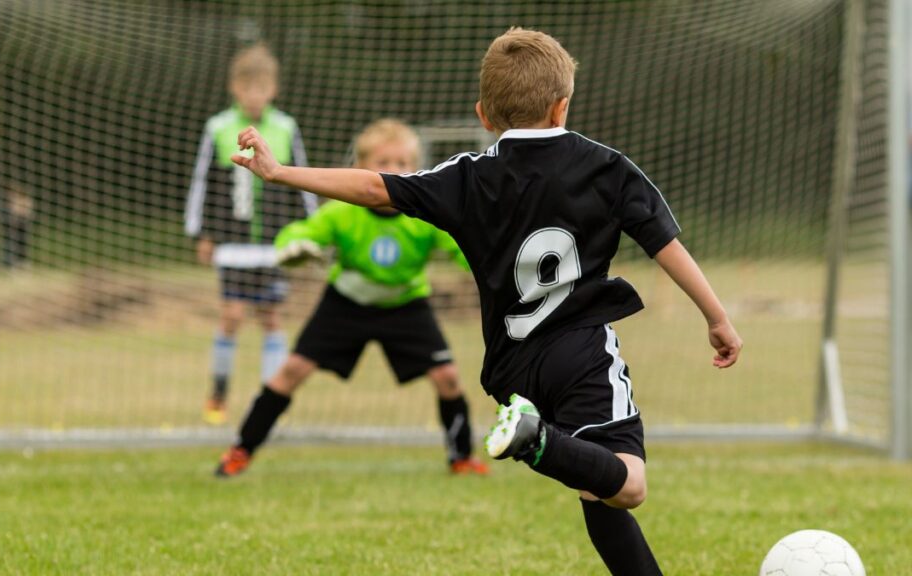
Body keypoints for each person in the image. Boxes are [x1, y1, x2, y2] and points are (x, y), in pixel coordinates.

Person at [229, 28, 743, 576]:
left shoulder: (467, 177)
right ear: (562, 105)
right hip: (581, 353)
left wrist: (280, 172)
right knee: (630, 483)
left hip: (511, 364)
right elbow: (665, 245)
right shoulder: (607, 167)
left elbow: (376, 187)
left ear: (482, 113)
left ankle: (535, 437)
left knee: (599, 489)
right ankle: (536, 440)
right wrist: (717, 318)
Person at [214, 119, 489, 478]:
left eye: (403, 163)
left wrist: (489, 264)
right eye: (384, 162)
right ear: (361, 168)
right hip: (346, 303)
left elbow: (465, 249)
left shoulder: (425, 214)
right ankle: (240, 451)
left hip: (405, 305)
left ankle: (461, 458)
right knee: (291, 371)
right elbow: (298, 234)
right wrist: (293, 248)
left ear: (416, 167)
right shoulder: (343, 210)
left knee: (448, 377)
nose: (394, 171)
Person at [184, 43, 317, 425]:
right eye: (247, 88)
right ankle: (219, 393)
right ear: (235, 89)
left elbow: (302, 179)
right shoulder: (218, 128)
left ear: (273, 89)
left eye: (262, 88)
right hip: (232, 244)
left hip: (273, 246)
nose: (255, 96)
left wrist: (307, 232)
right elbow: (202, 182)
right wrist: (202, 234)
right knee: (232, 315)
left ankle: (268, 400)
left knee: (272, 317)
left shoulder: (286, 128)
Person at [0, 183, 34, 269]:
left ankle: (22, 263)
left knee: (22, 244)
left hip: (22, 225)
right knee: (9, 244)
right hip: (10, 225)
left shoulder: (24, 200)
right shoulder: (8, 201)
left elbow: (26, 212)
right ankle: (8, 263)